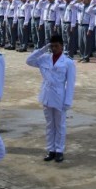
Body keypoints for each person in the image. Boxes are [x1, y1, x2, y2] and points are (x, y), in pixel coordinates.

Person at [26, 34, 76, 163]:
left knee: (60, 125)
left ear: (62, 46)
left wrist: (68, 101)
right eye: (52, 46)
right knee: (49, 124)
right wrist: (43, 49)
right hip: (47, 94)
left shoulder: (68, 62)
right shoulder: (44, 58)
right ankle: (50, 149)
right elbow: (29, 60)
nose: (54, 48)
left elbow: (70, 84)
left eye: (56, 46)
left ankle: (59, 150)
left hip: (60, 96)